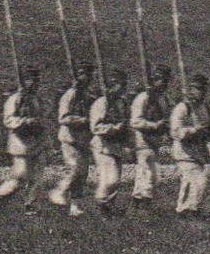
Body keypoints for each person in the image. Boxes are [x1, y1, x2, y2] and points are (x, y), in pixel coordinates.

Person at [46, 64, 96, 217]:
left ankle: (75, 206)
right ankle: (59, 191)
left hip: (84, 139)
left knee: (82, 173)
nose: (86, 78)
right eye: (83, 75)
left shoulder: (87, 95)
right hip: (70, 138)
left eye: (89, 75)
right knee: (74, 169)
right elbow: (64, 117)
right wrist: (83, 120)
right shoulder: (70, 95)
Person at [0, 68, 46, 206]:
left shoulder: (37, 99)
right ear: (24, 81)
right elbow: (8, 120)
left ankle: (31, 206)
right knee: (20, 177)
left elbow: (42, 117)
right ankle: (1, 196)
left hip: (38, 141)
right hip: (21, 144)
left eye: (37, 80)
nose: (35, 83)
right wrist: (24, 122)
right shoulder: (15, 99)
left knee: (37, 178)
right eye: (31, 80)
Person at [170, 73, 210, 216]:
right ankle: (185, 210)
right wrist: (194, 130)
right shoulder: (182, 108)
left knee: (200, 183)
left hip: (198, 152)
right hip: (185, 152)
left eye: (203, 89)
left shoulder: (205, 108)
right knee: (193, 181)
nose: (201, 93)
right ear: (191, 89)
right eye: (198, 89)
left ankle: (191, 210)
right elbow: (176, 132)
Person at [128, 64, 173, 207]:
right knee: (149, 171)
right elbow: (135, 121)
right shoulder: (143, 98)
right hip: (142, 138)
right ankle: (145, 202)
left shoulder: (163, 99)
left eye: (166, 81)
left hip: (154, 139)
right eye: (162, 80)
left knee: (145, 171)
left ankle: (137, 201)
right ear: (154, 80)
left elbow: (166, 117)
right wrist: (154, 125)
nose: (164, 84)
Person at [87, 69, 131, 215]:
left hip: (116, 145)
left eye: (123, 85)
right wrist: (114, 127)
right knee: (110, 178)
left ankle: (109, 207)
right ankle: (101, 204)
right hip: (102, 144)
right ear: (111, 85)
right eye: (118, 85)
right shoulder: (101, 103)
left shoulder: (122, 103)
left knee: (116, 180)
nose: (121, 88)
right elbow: (96, 127)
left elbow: (125, 123)